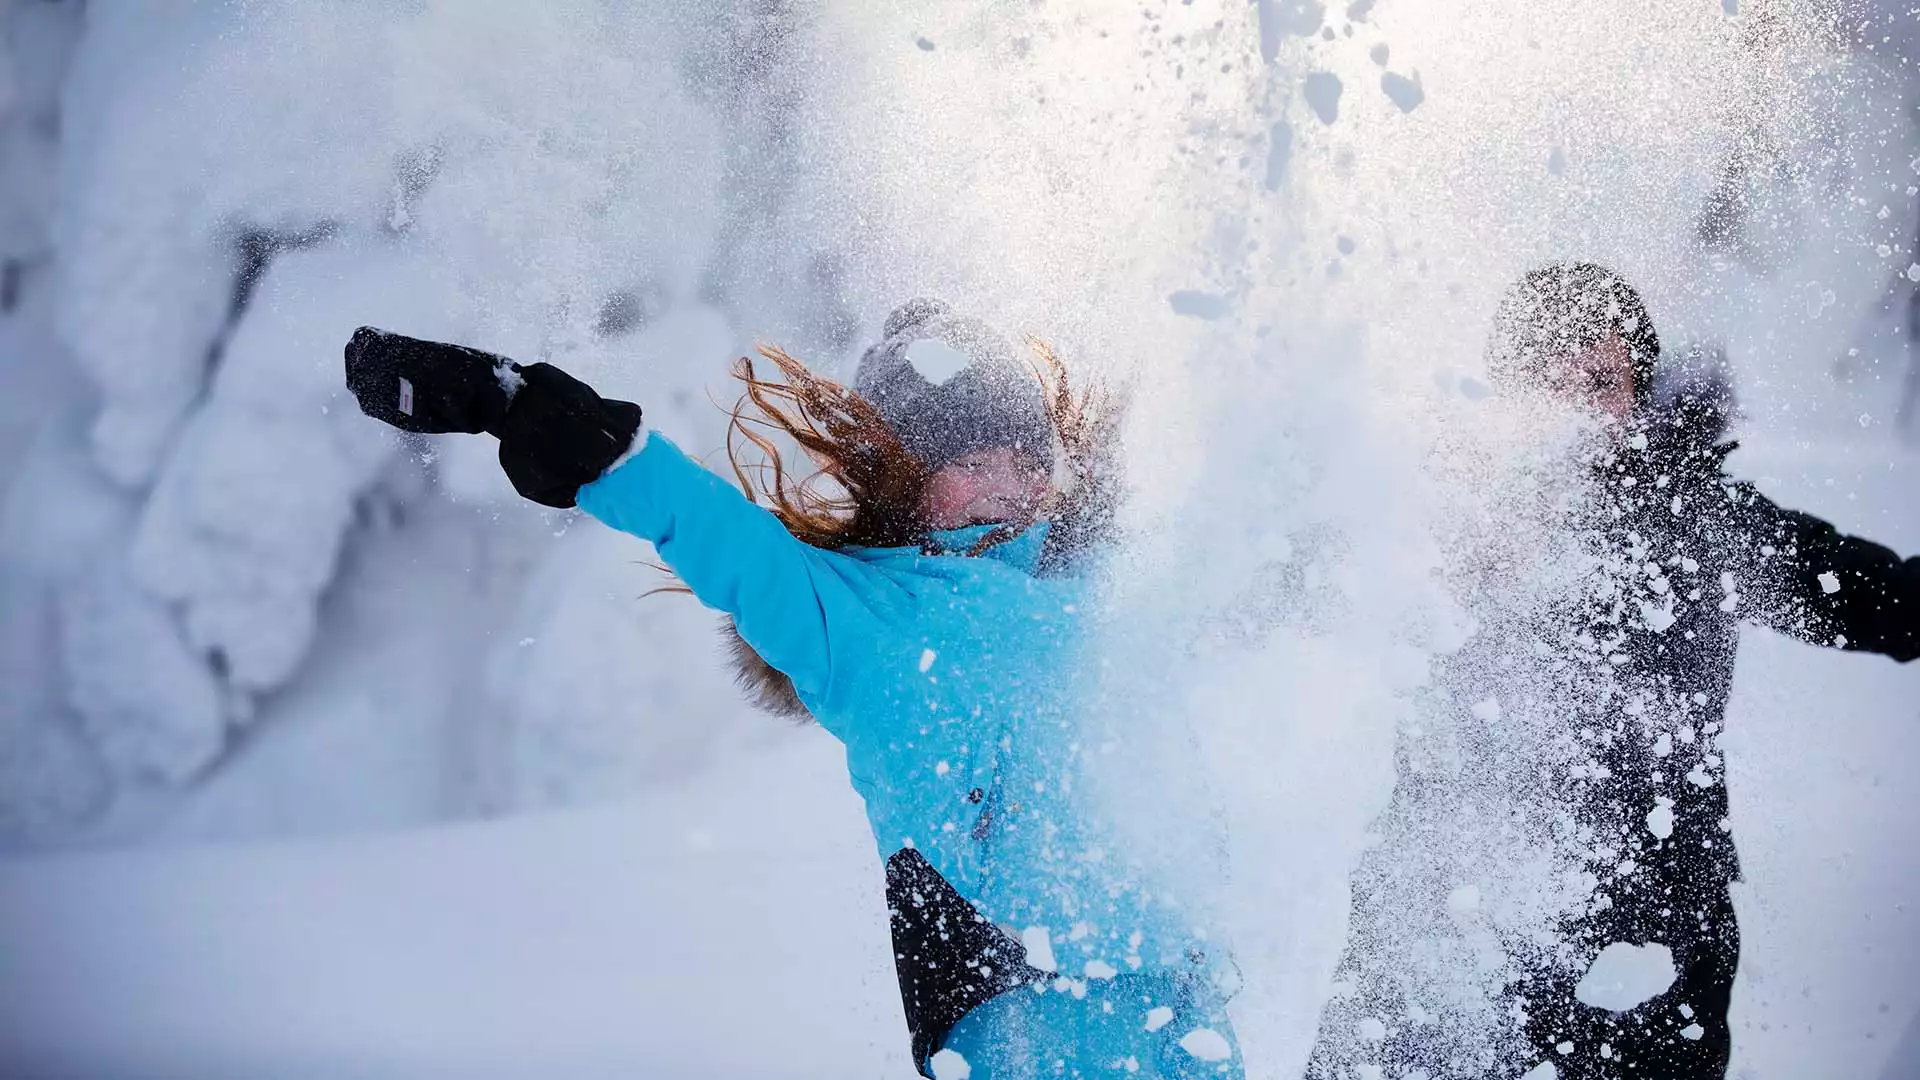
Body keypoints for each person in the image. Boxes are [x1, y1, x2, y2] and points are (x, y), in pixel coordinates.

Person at [342, 299, 1245, 1079]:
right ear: (903, 474)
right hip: (1012, 1007)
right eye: (967, 456)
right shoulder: (851, 617)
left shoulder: (1100, 586)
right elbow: (698, 521)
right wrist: (517, 404)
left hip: (1185, 997)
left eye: (1021, 450)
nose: (1006, 480)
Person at [1306, 263, 1920, 1080]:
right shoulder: (1427, 517)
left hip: (1644, 950)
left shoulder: (1698, 523)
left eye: (1598, 383)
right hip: (1440, 931)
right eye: (1543, 381)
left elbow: (1884, 601)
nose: (1572, 410)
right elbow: (1278, 589)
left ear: (1637, 394)